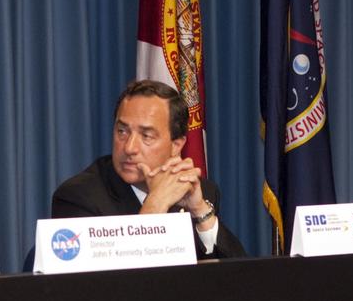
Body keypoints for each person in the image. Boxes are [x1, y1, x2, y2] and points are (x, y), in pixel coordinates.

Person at [51, 79, 245, 259]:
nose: (129, 148)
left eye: (147, 136)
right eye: (122, 131)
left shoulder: (199, 190)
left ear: (176, 145)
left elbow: (241, 280)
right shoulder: (78, 198)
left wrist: (200, 210)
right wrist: (155, 205)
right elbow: (102, 288)